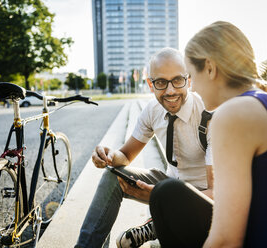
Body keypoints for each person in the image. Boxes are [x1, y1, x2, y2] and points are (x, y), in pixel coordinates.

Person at [149, 21, 267, 248]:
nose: (193, 88)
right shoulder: (262, 102)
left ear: (209, 68)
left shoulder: (234, 114)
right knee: (171, 196)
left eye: (191, 76)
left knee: (167, 194)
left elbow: (227, 241)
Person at [75, 47, 213, 248]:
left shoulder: (207, 114)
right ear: (150, 84)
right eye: (160, 82)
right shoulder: (153, 110)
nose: (170, 90)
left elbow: (217, 194)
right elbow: (126, 155)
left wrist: (163, 199)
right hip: (168, 183)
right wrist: (109, 155)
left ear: (189, 80)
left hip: (204, 197)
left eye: (177, 80)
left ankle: (159, 224)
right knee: (113, 176)